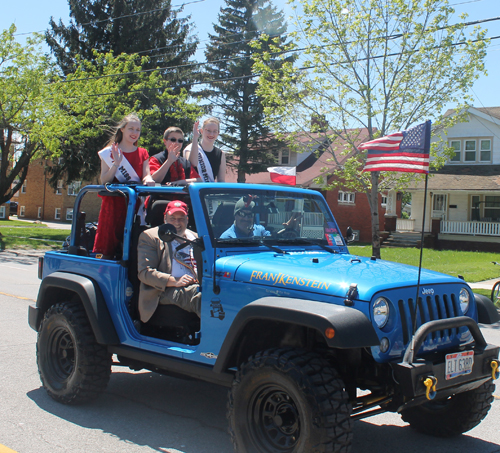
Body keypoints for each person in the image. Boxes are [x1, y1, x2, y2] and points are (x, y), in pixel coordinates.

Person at [93, 114, 155, 258]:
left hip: (134, 204)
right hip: (113, 205)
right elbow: (104, 180)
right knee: (108, 243)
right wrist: (116, 163)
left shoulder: (143, 152)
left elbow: (146, 174)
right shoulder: (109, 152)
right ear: (122, 129)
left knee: (131, 243)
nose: (135, 133)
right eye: (131, 129)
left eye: (138, 130)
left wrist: (149, 178)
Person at [137, 200, 201, 323]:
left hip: (198, 284)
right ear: (165, 218)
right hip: (164, 290)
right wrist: (174, 281)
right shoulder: (151, 237)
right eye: (172, 218)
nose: (177, 223)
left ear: (187, 219)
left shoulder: (196, 237)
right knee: (203, 298)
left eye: (181, 218)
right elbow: (145, 272)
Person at [184, 117, 226, 182]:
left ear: (218, 133)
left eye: (215, 131)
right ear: (202, 131)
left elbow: (221, 180)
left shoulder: (220, 154)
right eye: (208, 130)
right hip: (193, 190)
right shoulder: (190, 148)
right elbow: (193, 164)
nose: (211, 134)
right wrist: (195, 137)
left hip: (209, 191)